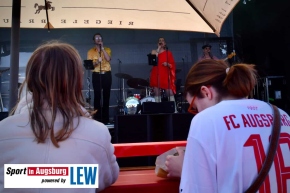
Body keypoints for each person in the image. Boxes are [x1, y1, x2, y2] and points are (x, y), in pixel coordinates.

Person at [0, 41, 119, 193]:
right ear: (76, 81)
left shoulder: (3, 130)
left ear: (30, 80)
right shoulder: (98, 133)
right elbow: (107, 177)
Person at [167, 59, 290, 192]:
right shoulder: (282, 115)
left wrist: (187, 170)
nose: (196, 113)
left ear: (206, 92)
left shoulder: (206, 120)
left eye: (194, 107)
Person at [87, 33, 112, 124]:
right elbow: (90, 65)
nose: (98, 39)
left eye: (100, 38)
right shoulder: (90, 51)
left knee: (106, 96)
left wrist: (103, 49)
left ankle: (106, 119)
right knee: (97, 96)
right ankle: (97, 119)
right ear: (94, 41)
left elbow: (108, 59)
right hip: (96, 74)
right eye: (96, 38)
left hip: (106, 74)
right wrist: (97, 61)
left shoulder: (107, 49)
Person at [150, 37, 176, 103]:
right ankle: (158, 108)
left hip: (165, 73)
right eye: (160, 41)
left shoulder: (168, 53)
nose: (161, 41)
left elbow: (172, 65)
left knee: (169, 91)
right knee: (157, 91)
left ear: (165, 43)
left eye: (163, 41)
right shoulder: (154, 51)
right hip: (156, 73)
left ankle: (173, 108)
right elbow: (152, 59)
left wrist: (167, 64)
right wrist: (158, 48)